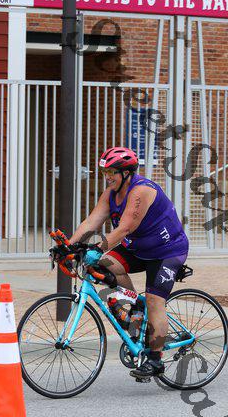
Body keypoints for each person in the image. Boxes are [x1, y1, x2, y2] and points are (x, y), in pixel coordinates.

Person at [69, 146, 189, 378]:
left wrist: (97, 248)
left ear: (126, 173)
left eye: (111, 172)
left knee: (154, 300)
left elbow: (124, 229)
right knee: (102, 265)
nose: (107, 177)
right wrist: (68, 246)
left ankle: (155, 360)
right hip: (137, 248)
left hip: (167, 251)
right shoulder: (111, 194)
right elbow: (91, 222)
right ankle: (137, 311)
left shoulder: (141, 191)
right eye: (105, 172)